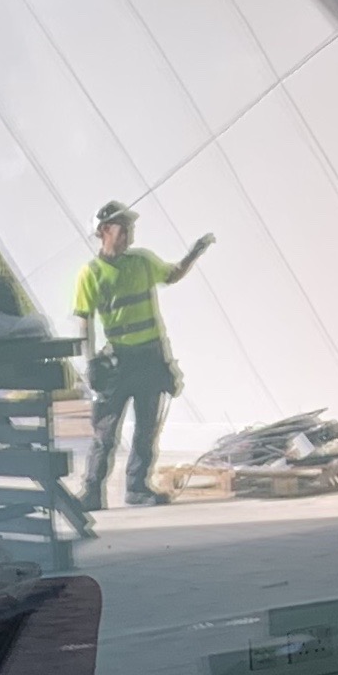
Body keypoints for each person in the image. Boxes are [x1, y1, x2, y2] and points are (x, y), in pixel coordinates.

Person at [74, 200, 211, 508]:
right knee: (105, 432)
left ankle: (137, 488)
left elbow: (172, 274)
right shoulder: (91, 273)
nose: (129, 238)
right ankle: (92, 492)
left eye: (131, 231)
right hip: (118, 361)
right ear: (104, 231)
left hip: (150, 358)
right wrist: (91, 362)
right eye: (123, 231)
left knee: (147, 428)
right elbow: (85, 319)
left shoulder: (142, 262)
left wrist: (194, 253)